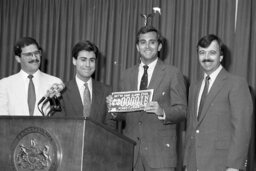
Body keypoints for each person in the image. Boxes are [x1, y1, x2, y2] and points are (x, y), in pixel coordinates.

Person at [108, 26, 187, 171]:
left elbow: (182, 110)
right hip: (132, 153)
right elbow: (124, 115)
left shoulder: (172, 73)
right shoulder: (126, 75)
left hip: (160, 155)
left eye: (152, 42)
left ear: (159, 46)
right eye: (143, 42)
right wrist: (114, 109)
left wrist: (162, 111)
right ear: (137, 47)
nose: (147, 46)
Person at [183, 34, 253, 171]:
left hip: (222, 165)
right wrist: (187, 163)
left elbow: (242, 129)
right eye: (202, 53)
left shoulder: (236, 84)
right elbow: (192, 128)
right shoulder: (194, 87)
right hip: (194, 164)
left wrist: (234, 166)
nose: (206, 57)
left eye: (212, 53)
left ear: (221, 57)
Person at [57, 40, 114, 126]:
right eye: (83, 60)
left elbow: (111, 128)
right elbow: (58, 125)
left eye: (92, 60)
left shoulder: (106, 91)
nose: (88, 65)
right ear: (74, 61)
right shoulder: (61, 91)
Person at [0, 37, 62, 116]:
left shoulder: (55, 83)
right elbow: (2, 119)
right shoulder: (4, 85)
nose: (34, 58)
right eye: (29, 54)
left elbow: (58, 117)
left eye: (36, 53)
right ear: (18, 58)